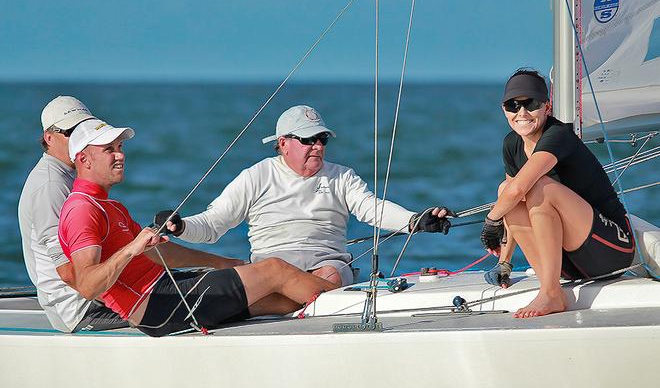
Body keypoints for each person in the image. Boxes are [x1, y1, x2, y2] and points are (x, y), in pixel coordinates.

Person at [57, 118, 337, 337]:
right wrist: (131, 249)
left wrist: (220, 262)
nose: (120, 156)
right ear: (84, 160)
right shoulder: (82, 209)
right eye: (109, 150)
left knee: (280, 299)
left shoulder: (110, 206)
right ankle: (354, 308)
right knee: (275, 270)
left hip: (166, 292)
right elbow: (87, 285)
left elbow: (156, 255)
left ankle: (339, 308)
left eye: (120, 148)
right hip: (156, 307)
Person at [157, 105, 453, 288]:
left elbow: (372, 210)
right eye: (308, 140)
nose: (318, 146)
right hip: (270, 269)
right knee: (251, 277)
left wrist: (415, 220)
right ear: (283, 144)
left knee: (329, 276)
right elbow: (213, 225)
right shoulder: (256, 175)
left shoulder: (342, 176)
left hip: (327, 266)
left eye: (321, 139)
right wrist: (180, 226)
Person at [480, 69, 634, 318]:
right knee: (504, 191)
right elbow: (510, 198)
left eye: (531, 104)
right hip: (568, 265)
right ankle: (550, 286)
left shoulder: (558, 135)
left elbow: (520, 189)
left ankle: (551, 294)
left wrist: (490, 221)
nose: (522, 113)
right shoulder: (512, 144)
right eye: (513, 105)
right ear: (503, 109)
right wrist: (504, 263)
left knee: (538, 187)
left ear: (547, 107)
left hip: (612, 251)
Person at [18, 96, 128, 332]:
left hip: (95, 296)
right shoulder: (50, 184)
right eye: (71, 130)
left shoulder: (71, 174)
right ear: (49, 138)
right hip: (80, 310)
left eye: (84, 127)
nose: (81, 134)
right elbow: (69, 273)